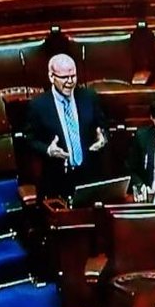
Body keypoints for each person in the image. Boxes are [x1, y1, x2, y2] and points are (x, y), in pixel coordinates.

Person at [23, 54, 108, 200]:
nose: (70, 82)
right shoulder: (38, 106)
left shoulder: (89, 98)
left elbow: (102, 127)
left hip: (89, 178)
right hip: (56, 181)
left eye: (73, 76)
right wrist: (48, 150)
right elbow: (29, 141)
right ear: (51, 77)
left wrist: (102, 139)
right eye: (64, 78)